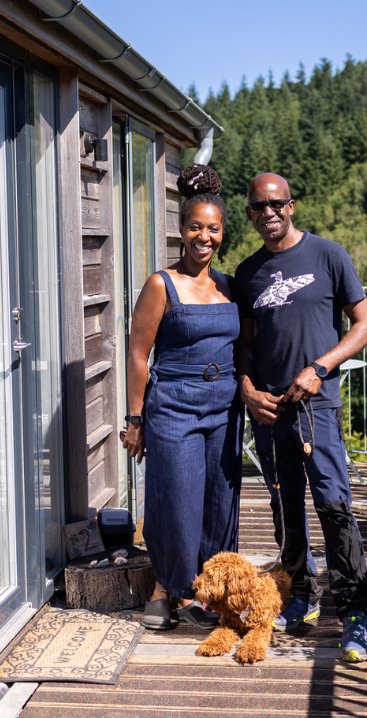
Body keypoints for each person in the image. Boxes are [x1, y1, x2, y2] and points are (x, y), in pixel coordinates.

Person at [234, 172, 367, 662]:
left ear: (291, 205)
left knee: (334, 506)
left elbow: (366, 324)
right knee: (284, 507)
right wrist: (247, 388)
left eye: (277, 203)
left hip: (317, 405)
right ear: (249, 213)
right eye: (258, 206)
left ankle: (356, 612)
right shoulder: (248, 272)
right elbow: (246, 347)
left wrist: (320, 367)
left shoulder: (328, 255)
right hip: (270, 411)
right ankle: (302, 596)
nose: (269, 212)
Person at [122, 164, 242, 631]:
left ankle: (207, 591)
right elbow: (137, 354)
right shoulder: (161, 284)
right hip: (174, 403)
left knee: (220, 501)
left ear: (221, 233)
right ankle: (166, 587)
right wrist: (136, 420)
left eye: (213, 229)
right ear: (181, 229)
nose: (204, 237)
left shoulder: (228, 286)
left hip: (225, 406)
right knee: (176, 499)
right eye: (196, 227)